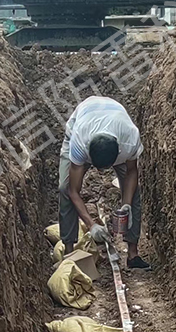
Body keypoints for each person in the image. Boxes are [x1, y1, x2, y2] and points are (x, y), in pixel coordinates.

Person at [58, 96, 151, 269]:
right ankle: (69, 253)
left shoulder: (130, 139)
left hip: (115, 122)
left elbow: (131, 172)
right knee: (63, 188)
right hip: (83, 121)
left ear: (118, 156)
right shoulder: (79, 142)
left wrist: (127, 205)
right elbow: (73, 190)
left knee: (133, 189)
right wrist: (91, 225)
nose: (101, 172)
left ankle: (133, 254)